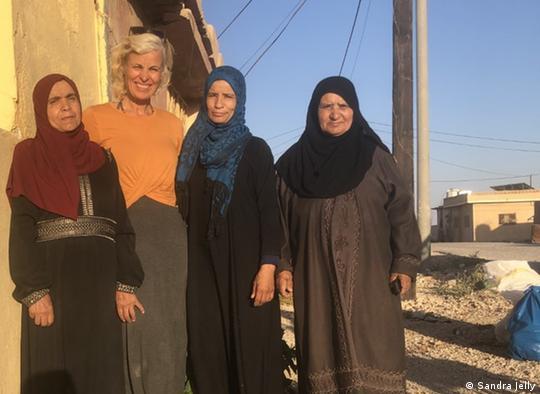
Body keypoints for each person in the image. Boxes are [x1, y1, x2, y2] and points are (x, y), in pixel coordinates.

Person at [275, 76, 421, 393]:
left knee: (375, 345)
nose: (335, 113)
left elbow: (401, 209)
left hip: (372, 276)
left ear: (355, 111)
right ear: (314, 112)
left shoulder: (376, 158)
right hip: (314, 278)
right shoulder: (291, 165)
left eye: (343, 105)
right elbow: (279, 219)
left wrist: (405, 261)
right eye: (326, 106)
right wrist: (284, 263)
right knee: (320, 347)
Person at [7, 74, 144, 393]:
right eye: (54, 101)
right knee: (55, 370)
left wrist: (126, 282)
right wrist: (35, 291)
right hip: (54, 282)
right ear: (42, 109)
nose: (66, 107)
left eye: (71, 98)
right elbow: (22, 226)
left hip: (100, 282)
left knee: (100, 371)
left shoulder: (102, 158)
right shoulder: (28, 156)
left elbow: (120, 225)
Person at [82, 30, 187, 393]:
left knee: (167, 331)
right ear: (122, 69)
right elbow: (83, 184)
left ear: (162, 76)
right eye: (138, 66)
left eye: (154, 69)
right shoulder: (95, 119)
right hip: (120, 234)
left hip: (169, 239)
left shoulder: (173, 126)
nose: (145, 75)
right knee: (126, 326)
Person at [176, 65, 285, 393]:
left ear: (240, 101)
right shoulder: (191, 151)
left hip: (246, 269)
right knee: (208, 347)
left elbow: (270, 211)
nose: (219, 103)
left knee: (250, 349)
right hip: (203, 268)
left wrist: (268, 266)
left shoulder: (255, 150)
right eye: (212, 95)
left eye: (228, 96)